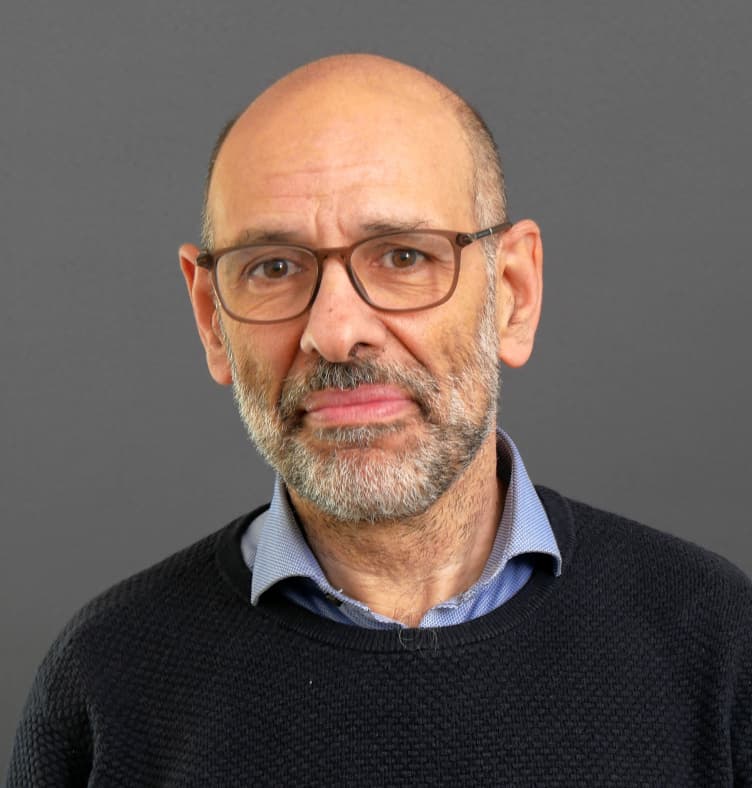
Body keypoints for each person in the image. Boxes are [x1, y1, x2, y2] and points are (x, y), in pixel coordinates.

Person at [7, 54, 751, 786]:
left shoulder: (715, 639)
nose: (336, 332)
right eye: (273, 267)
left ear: (514, 293)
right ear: (210, 318)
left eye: (402, 256)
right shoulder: (108, 677)